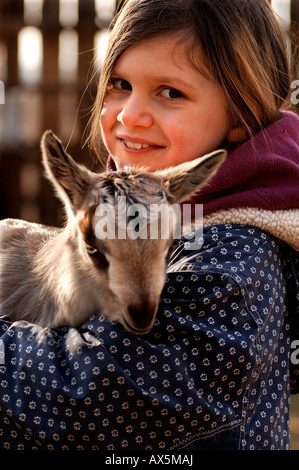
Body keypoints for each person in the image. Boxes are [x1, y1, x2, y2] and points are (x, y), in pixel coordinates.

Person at [0, 0, 299, 450]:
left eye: (171, 92)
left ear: (240, 117)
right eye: (119, 85)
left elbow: (76, 394)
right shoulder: (149, 212)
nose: (129, 116)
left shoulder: (231, 264)